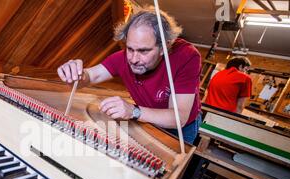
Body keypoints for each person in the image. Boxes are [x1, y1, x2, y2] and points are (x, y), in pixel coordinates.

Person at [57, 7, 202, 144]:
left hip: (182, 129)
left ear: (165, 46)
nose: (133, 59)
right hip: (146, 117)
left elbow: (179, 118)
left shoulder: (186, 57)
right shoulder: (122, 58)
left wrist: (134, 111)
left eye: (143, 51)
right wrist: (76, 73)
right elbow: (90, 76)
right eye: (130, 49)